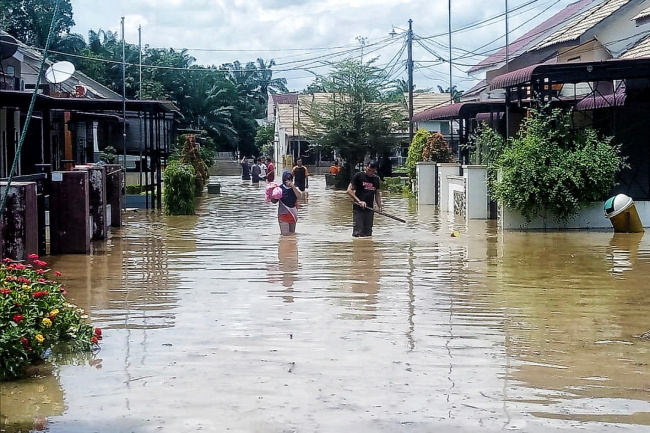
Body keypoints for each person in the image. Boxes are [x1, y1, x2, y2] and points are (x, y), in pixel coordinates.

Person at [346, 160, 382, 237]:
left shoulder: (376, 179)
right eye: (369, 170)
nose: (370, 173)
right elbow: (349, 190)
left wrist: (379, 206)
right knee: (358, 233)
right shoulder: (359, 176)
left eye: (373, 171)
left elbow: (377, 194)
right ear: (366, 167)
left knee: (368, 234)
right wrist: (359, 201)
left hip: (370, 209)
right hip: (358, 209)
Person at [277, 170, 302, 236]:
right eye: (287, 179)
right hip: (283, 214)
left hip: (293, 214)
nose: (288, 180)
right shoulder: (279, 189)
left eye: (290, 178)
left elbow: (299, 197)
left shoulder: (295, 188)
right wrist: (274, 195)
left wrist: (293, 187)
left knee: (292, 235)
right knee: (285, 234)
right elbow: (274, 201)